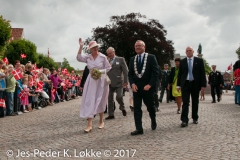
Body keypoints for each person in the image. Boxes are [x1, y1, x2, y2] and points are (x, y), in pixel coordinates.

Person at [77, 38, 111, 133]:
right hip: (91, 80)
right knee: (90, 100)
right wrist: (80, 47)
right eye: (93, 48)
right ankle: (89, 125)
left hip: (101, 80)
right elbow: (79, 58)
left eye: (96, 47)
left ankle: (101, 121)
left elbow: (108, 67)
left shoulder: (103, 57)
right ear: (90, 49)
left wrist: (99, 72)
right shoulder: (88, 57)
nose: (95, 49)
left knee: (101, 99)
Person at [128, 40, 159, 135]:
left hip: (148, 88)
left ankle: (153, 120)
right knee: (136, 108)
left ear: (144, 47)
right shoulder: (132, 59)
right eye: (136, 46)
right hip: (136, 88)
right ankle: (139, 128)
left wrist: (150, 85)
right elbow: (130, 74)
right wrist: (132, 84)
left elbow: (155, 73)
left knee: (150, 106)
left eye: (139, 46)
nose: (137, 47)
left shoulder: (151, 57)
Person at [177, 46, 206, 127]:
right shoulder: (182, 62)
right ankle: (184, 120)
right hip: (185, 83)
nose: (188, 52)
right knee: (185, 102)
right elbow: (180, 74)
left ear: (193, 51)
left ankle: (195, 117)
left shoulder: (199, 61)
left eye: (190, 50)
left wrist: (203, 85)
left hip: (195, 83)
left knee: (195, 101)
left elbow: (202, 73)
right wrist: (178, 85)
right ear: (185, 52)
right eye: (187, 51)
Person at [105, 47, 128, 120]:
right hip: (109, 82)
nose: (109, 55)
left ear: (114, 52)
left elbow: (125, 71)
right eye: (108, 54)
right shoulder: (106, 60)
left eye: (110, 53)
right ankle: (111, 114)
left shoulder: (120, 59)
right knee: (109, 99)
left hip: (119, 82)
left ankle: (122, 107)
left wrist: (125, 81)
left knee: (119, 96)